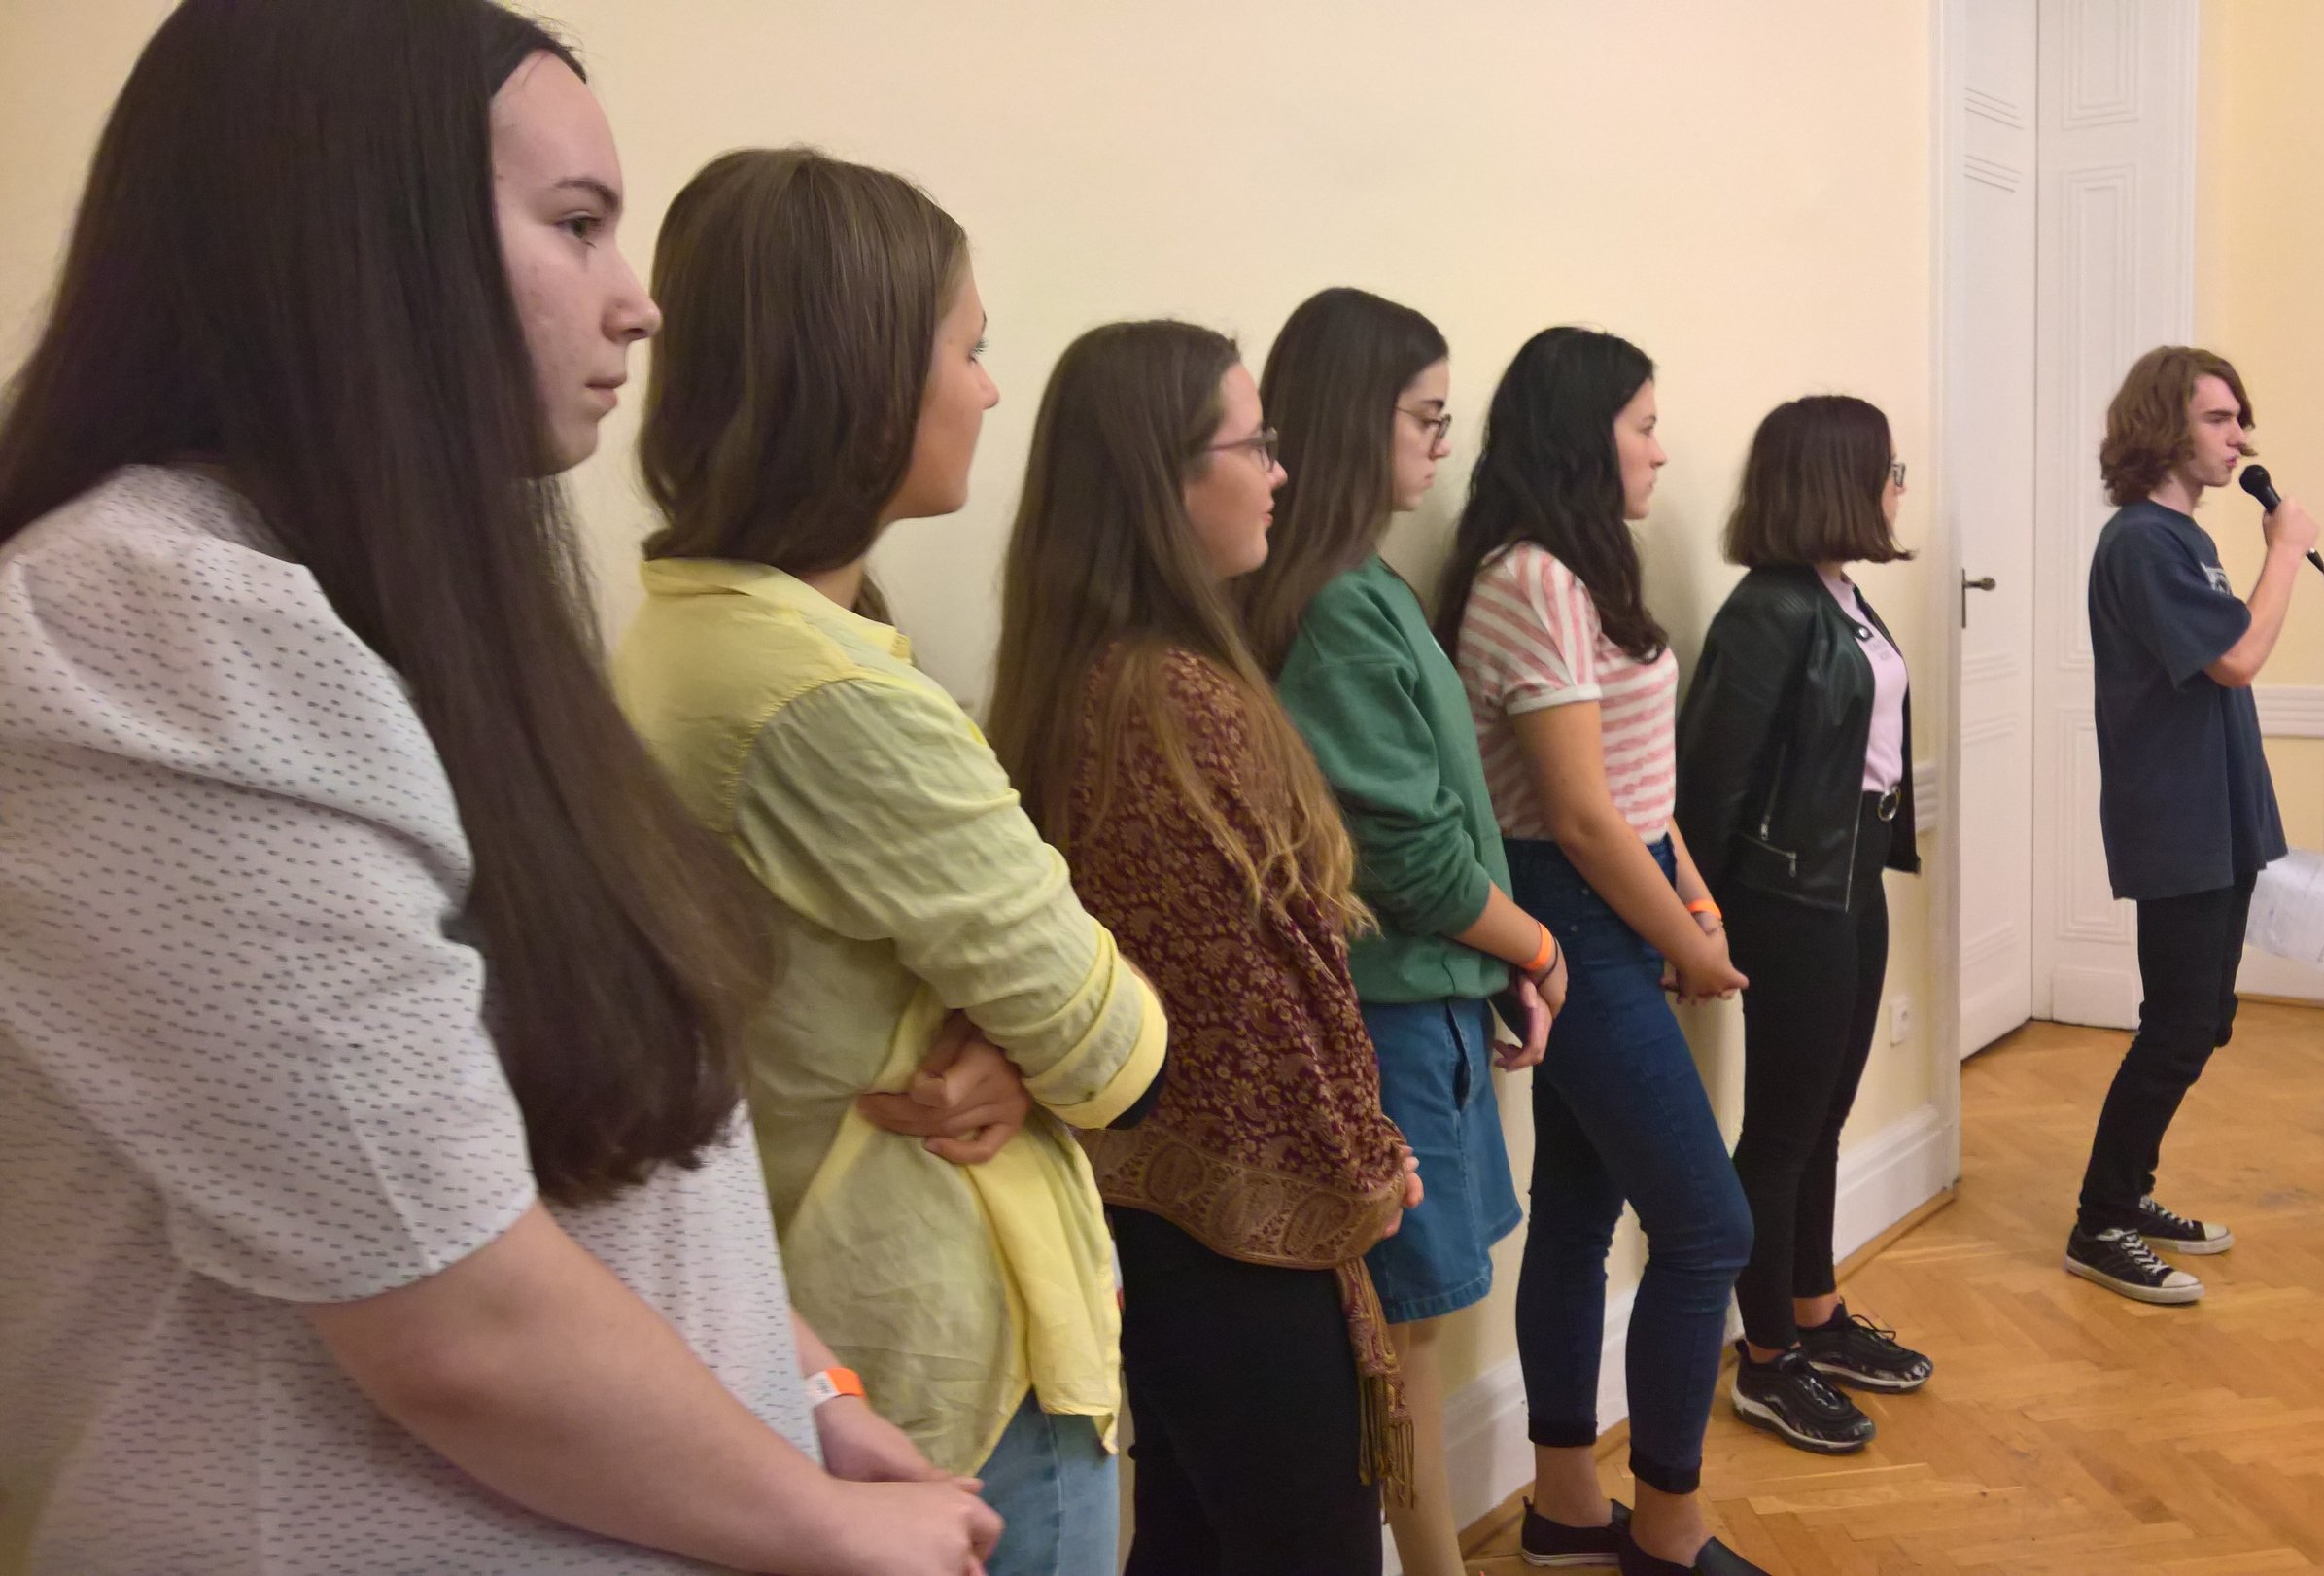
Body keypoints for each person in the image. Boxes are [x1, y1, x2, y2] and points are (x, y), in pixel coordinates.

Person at [0, 4, 995, 1571]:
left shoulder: (406, 617)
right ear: (355, 238)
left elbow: (605, 1152)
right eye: (577, 224)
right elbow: (451, 1305)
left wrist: (796, 1382)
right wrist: (811, 1516)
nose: (638, 303)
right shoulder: (150, 622)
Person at [613, 148, 1171, 1575]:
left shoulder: (693, 629)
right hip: (944, 1371)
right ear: (863, 385)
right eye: (969, 349)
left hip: (827, 1318)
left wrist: (1009, 1034)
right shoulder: (829, 696)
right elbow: (1114, 1046)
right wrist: (1043, 1037)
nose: (990, 390)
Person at [987, 319, 1422, 1575]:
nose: (1280, 472)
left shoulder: (1116, 677)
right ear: (1164, 482)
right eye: (1255, 444)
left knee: (1192, 1536)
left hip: (1170, 1221)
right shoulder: (1169, 703)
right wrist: (1361, 1156)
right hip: (1239, 1236)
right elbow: (1257, 1001)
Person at [1238, 287, 1562, 1575]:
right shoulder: (1331, 604)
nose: (1443, 442)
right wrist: (1534, 946)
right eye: (1426, 416)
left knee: (1413, 1329)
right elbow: (1411, 855)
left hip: (1427, 999)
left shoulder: (1366, 586)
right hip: (1389, 1014)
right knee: (1401, 1337)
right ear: (1351, 416)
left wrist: (1500, 957)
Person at [1434, 328, 1765, 1576]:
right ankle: (1668, 1526)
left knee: (1579, 1212)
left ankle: (1567, 1509)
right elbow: (1575, 815)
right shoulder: (1530, 579)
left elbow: (1634, 788)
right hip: (1570, 910)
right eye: (1643, 424)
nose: (1661, 450)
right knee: (1710, 1228)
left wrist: (1693, 902)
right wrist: (1689, 943)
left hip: (1613, 905)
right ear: (1585, 436)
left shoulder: (1578, 573)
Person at [1675, 395, 1932, 1456]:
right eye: (1889, 468)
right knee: (1782, 1130)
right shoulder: (1768, 611)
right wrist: (1697, 924)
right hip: (1788, 898)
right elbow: (1710, 784)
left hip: (1851, 879)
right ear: (1838, 478)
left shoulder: (1840, 594)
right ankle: (1768, 1358)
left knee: (1825, 1113)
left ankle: (1816, 1312)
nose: (1899, 486)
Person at [2066, 345, 2304, 1309]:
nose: (2240, 437)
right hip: (2177, 821)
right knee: (2176, 1028)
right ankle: (2100, 1222)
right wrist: (2284, 551)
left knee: (2203, 1021)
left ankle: (2128, 1192)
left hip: (2221, 815)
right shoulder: (2141, 541)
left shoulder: (2185, 538)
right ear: (2164, 427)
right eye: (2218, 418)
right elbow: (2237, 658)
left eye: (2240, 418)